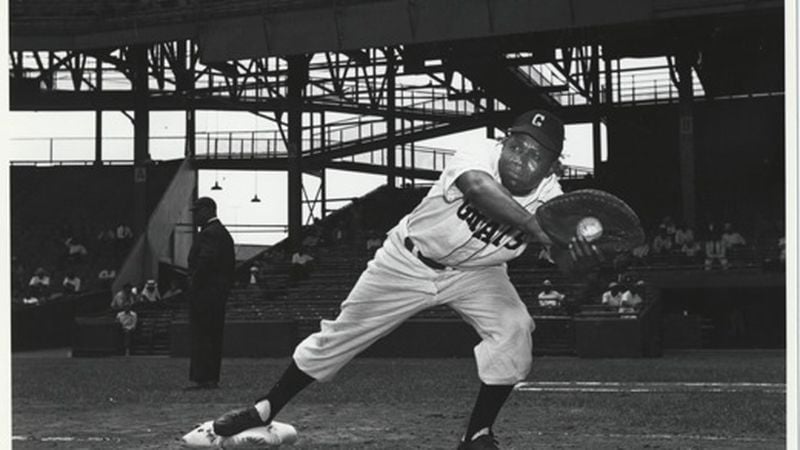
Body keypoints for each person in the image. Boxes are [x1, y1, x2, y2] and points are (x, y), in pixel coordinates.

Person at [206, 109, 602, 449]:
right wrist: (539, 227)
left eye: (536, 155)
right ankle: (265, 409)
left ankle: (477, 434)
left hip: (478, 274)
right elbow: (477, 188)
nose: (519, 158)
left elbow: (566, 266)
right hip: (407, 259)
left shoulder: (554, 204)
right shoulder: (480, 154)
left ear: (553, 168)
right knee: (340, 334)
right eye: (516, 145)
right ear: (503, 142)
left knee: (515, 328)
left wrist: (582, 260)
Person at [185, 197, 235, 390]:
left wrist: (193, 282)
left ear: (208, 210)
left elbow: (206, 261)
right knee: (212, 336)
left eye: (197, 211)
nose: (195, 216)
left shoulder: (210, 233)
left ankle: (203, 378)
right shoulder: (221, 232)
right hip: (216, 293)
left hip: (205, 293)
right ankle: (209, 378)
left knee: (202, 336)